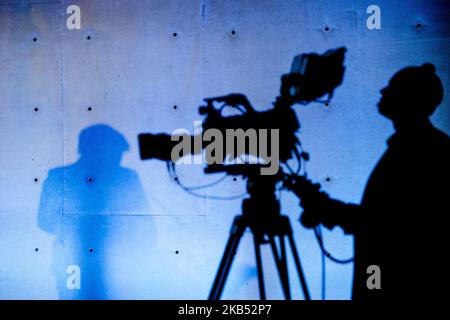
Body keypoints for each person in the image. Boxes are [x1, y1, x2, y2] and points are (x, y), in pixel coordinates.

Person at [296, 63, 450, 300]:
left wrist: (325, 208)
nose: (383, 92)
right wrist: (325, 207)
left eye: (392, 88)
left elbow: (384, 224)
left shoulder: (421, 151)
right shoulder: (419, 146)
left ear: (409, 98)